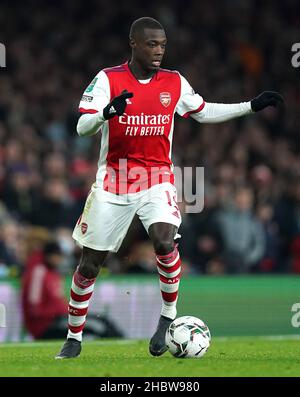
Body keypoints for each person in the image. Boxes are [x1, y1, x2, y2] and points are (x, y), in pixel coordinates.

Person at [56, 17, 283, 359]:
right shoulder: (108, 79)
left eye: (162, 44)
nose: (159, 50)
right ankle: (74, 337)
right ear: (134, 43)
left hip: (157, 179)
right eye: (151, 44)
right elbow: (82, 126)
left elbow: (204, 111)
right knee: (90, 264)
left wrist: (249, 106)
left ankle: (167, 316)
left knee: (164, 241)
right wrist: (105, 113)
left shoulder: (174, 82)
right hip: (113, 182)